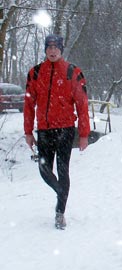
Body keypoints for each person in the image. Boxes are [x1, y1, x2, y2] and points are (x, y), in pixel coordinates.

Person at [24, 34, 90, 230]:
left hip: (65, 129)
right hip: (44, 129)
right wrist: (28, 132)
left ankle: (60, 212)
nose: (52, 50)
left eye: (56, 47)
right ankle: (62, 192)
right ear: (45, 49)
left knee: (63, 170)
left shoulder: (72, 72)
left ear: (61, 49)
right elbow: (28, 104)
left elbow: (82, 104)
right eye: (49, 47)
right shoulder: (35, 73)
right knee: (44, 170)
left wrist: (84, 134)